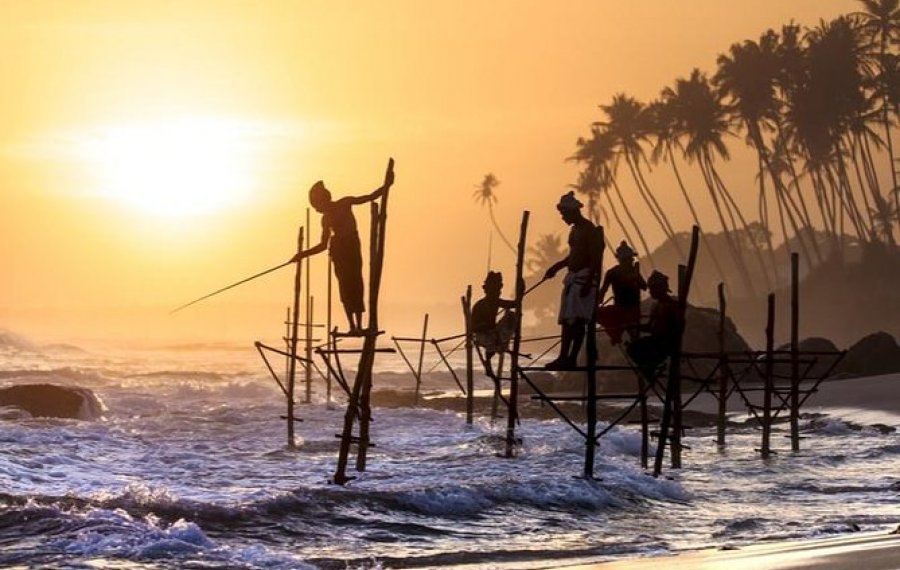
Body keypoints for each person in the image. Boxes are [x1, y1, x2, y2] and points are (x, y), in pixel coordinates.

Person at [291, 162, 395, 334]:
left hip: (351, 246)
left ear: (325, 199)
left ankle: (359, 326)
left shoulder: (345, 203)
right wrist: (302, 254)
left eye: (319, 204)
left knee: (356, 283)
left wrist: (387, 186)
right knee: (345, 287)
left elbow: (369, 197)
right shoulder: (326, 219)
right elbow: (323, 245)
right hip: (339, 250)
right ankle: (352, 326)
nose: (320, 209)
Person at [543, 191, 603, 370]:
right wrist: (557, 267)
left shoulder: (589, 230)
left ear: (573, 212)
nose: (563, 218)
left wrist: (588, 282)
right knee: (567, 321)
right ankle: (563, 357)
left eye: (564, 214)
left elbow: (595, 259)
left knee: (577, 321)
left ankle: (571, 358)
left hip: (584, 279)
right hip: (573, 278)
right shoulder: (574, 230)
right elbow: (573, 256)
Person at [626, 270, 683, 379]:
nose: (650, 292)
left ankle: (651, 367)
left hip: (665, 344)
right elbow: (649, 326)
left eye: (652, 288)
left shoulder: (671, 306)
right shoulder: (656, 306)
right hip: (656, 341)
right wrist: (633, 326)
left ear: (659, 289)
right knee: (632, 348)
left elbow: (674, 328)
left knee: (639, 349)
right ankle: (650, 368)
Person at [596, 241, 647, 345]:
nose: (629, 261)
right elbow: (603, 290)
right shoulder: (613, 273)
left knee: (633, 333)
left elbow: (644, 286)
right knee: (599, 314)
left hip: (633, 309)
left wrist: (636, 277)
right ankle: (616, 336)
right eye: (626, 259)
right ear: (620, 260)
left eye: (630, 259)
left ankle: (631, 342)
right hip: (619, 308)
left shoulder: (634, 271)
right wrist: (597, 302)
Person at [471, 271, 517, 377]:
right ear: (487, 290)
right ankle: (488, 363)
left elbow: (512, 305)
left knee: (511, 316)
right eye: (495, 289)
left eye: (498, 289)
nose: (498, 292)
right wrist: (487, 328)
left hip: (492, 333)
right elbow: (474, 327)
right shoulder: (481, 305)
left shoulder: (495, 301)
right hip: (481, 334)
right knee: (492, 342)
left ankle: (491, 360)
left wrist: (521, 294)